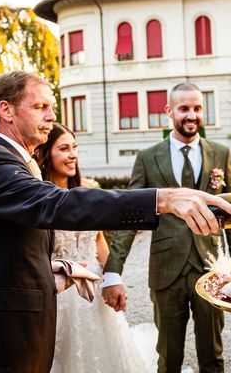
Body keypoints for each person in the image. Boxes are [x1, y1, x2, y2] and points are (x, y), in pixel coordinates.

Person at [0, 71, 231, 373]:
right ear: (6, 110)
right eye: (40, 107)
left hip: (14, 328)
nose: (51, 116)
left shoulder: (11, 162)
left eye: (52, 107)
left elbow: (6, 248)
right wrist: (163, 199)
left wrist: (56, 270)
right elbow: (61, 203)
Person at [102, 82, 231, 373]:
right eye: (184, 108)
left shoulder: (220, 153)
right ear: (169, 111)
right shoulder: (147, 158)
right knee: (168, 356)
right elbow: (130, 216)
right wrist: (113, 270)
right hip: (166, 272)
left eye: (197, 108)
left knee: (213, 354)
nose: (191, 115)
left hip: (212, 269)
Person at [33, 123, 151, 372]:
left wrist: (113, 279)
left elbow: (98, 240)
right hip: (59, 297)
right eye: (64, 148)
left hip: (94, 292)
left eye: (74, 147)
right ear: (45, 154)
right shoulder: (38, 198)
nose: (73, 154)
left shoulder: (87, 191)